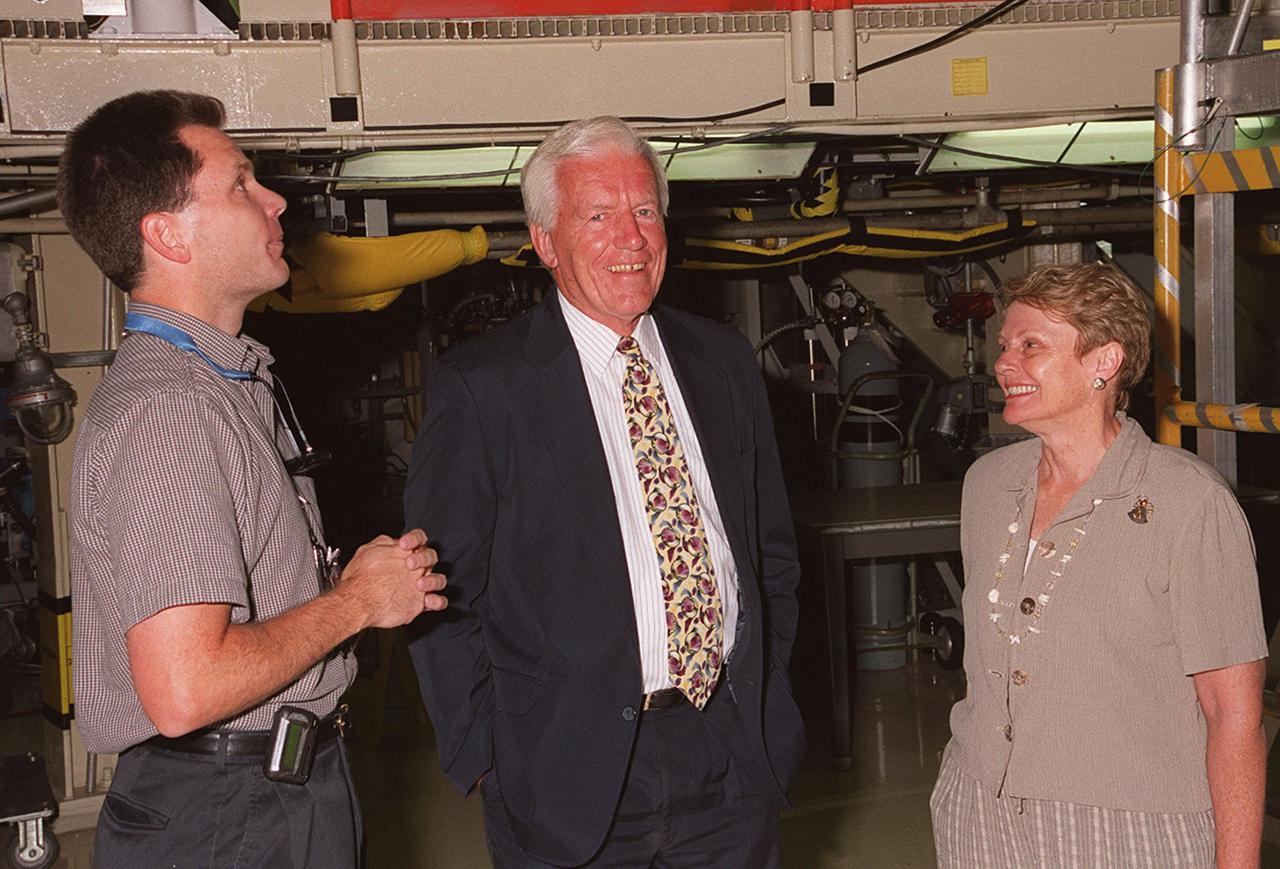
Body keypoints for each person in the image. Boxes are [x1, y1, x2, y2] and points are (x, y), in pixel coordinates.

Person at [58, 90, 448, 869]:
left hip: (266, 793)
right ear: (167, 234)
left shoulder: (224, 382)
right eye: (240, 183)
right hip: (229, 814)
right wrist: (358, 600)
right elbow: (186, 687)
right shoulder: (168, 410)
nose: (275, 199)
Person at [405, 116, 806, 868]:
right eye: (598, 216)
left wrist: (759, 685)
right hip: (565, 769)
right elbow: (438, 592)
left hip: (726, 750)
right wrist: (489, 753)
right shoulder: (484, 389)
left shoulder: (721, 360)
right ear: (547, 242)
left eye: (645, 211)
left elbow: (769, 551)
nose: (632, 237)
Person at [930, 262, 1267, 868]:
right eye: (1006, 345)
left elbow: (1233, 716)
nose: (1006, 362)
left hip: (1129, 828)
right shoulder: (987, 484)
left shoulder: (1189, 501)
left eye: (1031, 345)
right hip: (979, 808)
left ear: (1104, 363)